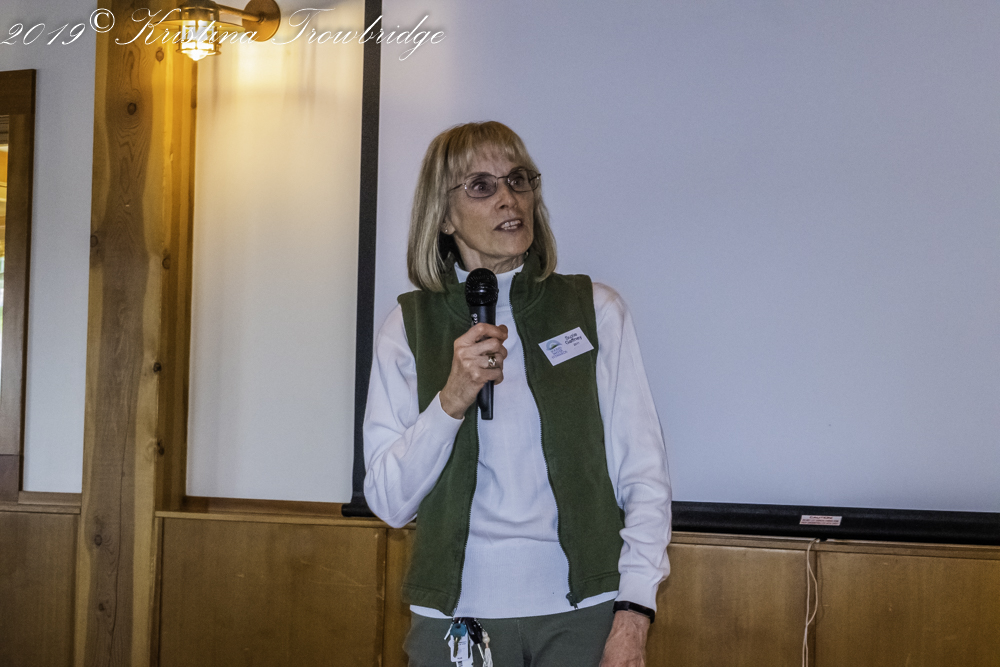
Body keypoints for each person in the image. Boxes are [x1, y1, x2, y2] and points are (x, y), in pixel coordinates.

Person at [363, 121, 672, 667]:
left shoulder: (595, 310)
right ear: (444, 215)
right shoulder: (407, 327)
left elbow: (643, 473)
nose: (508, 198)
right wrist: (451, 399)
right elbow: (389, 503)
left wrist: (634, 610)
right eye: (481, 186)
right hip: (459, 619)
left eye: (518, 180)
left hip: (585, 612)